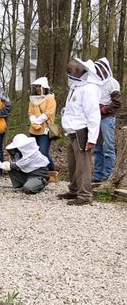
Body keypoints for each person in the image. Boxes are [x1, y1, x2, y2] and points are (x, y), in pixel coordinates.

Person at [58, 58, 102, 206]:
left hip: (81, 132)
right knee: (73, 164)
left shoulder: (89, 88)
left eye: (70, 70)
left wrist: (92, 138)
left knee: (83, 165)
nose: (68, 73)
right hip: (72, 132)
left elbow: (93, 115)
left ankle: (84, 195)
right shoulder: (75, 86)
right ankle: (74, 189)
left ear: (79, 70)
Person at [92, 57, 122, 182]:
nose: (99, 71)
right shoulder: (95, 83)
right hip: (95, 118)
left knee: (108, 147)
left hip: (107, 118)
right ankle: (98, 175)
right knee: (98, 147)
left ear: (105, 69)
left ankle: (108, 175)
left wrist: (104, 109)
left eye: (101, 69)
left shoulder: (113, 83)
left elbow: (117, 102)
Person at [28, 77, 56, 173]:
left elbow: (48, 113)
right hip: (34, 130)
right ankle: (39, 173)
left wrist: (37, 121)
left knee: (43, 153)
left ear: (44, 87)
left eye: (40, 87)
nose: (38, 89)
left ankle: (51, 170)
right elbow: (30, 112)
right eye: (36, 87)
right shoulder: (33, 99)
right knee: (34, 153)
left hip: (45, 130)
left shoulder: (50, 98)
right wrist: (33, 121)